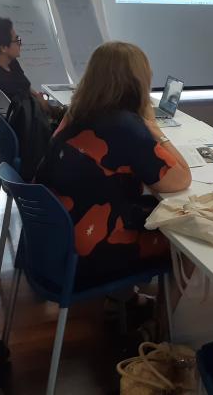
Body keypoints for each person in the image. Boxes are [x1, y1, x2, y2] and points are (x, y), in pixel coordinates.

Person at [34, 41, 192, 288]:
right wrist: (153, 127)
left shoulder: (75, 114)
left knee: (147, 207)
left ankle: (121, 302)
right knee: (185, 243)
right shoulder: (125, 126)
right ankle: (159, 323)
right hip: (88, 254)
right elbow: (181, 178)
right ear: (137, 81)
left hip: (53, 242)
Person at [0, 17, 48, 107]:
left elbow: (25, 85)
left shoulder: (12, 63)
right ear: (3, 48)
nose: (20, 43)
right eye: (16, 40)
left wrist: (38, 96)